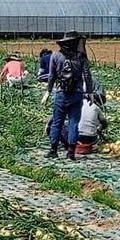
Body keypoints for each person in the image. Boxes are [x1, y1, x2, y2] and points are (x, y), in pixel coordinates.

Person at [43, 30, 93, 160]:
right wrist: (90, 92)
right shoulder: (81, 57)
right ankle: (71, 151)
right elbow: (87, 75)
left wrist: (48, 91)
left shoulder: (56, 56)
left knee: (57, 122)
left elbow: (52, 76)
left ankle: (53, 150)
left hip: (61, 93)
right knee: (74, 123)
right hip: (77, 94)